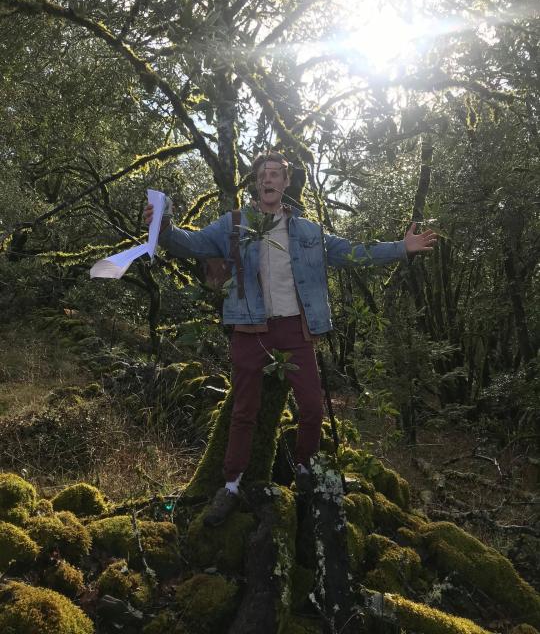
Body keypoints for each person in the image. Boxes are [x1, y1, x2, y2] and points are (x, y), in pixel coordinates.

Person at [144, 153, 437, 526]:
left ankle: (303, 470)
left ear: (285, 183)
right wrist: (162, 228)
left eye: (276, 174)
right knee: (244, 411)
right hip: (251, 329)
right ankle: (231, 485)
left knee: (312, 408)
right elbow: (192, 244)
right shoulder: (234, 225)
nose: (269, 179)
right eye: (263, 174)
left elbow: (351, 253)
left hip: (296, 329)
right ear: (256, 182)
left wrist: (402, 248)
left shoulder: (308, 232)